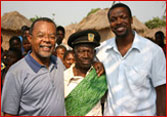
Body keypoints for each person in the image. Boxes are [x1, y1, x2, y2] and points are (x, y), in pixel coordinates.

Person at [96, 3, 166, 116]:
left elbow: (162, 91)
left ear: (131, 20)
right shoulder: (102, 50)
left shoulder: (153, 51)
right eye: (113, 19)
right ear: (110, 24)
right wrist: (95, 63)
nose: (118, 22)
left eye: (123, 17)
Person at [1, 17, 66, 116]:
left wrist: (96, 65)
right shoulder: (16, 73)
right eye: (41, 35)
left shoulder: (59, 64)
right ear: (30, 39)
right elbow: (9, 114)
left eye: (52, 37)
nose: (47, 40)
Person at [64, 30, 108, 116]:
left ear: (94, 53)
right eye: (81, 51)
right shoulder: (63, 78)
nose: (86, 56)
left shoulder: (99, 75)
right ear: (74, 53)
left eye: (89, 51)